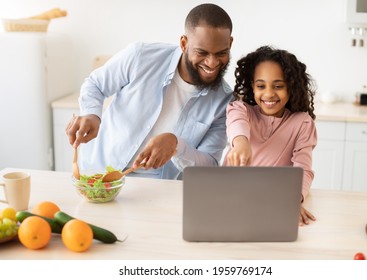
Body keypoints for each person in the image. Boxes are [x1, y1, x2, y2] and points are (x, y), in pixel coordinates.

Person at [66, 3, 234, 179]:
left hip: (160, 192)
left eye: (221, 53)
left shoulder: (224, 102)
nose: (212, 63)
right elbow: (95, 84)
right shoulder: (141, 56)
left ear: (230, 43)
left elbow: (209, 165)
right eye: (202, 53)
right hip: (99, 174)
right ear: (184, 43)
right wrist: (92, 114)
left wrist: (176, 145)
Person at [224, 45, 317, 226]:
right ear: (252, 86)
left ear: (291, 87)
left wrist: (292, 200)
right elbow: (237, 125)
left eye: (278, 86)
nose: (269, 94)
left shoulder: (302, 123)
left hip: (273, 202)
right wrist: (241, 144)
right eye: (261, 86)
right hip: (231, 199)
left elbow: (303, 169)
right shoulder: (241, 109)